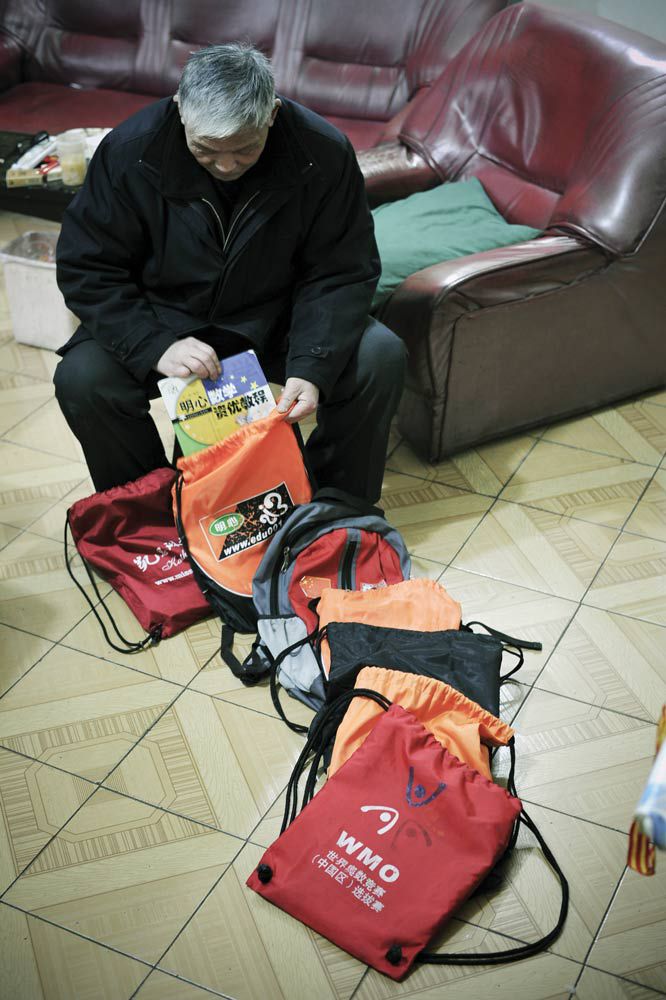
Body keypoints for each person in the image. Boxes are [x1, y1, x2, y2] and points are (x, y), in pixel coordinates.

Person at [54, 43, 406, 502]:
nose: (225, 165)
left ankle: (333, 505)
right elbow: (88, 266)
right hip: (165, 316)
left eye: (245, 149)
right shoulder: (128, 153)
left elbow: (341, 269)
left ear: (273, 114)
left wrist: (312, 365)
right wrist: (152, 344)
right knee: (84, 379)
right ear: (180, 110)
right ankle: (148, 511)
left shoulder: (322, 152)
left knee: (379, 356)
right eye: (206, 150)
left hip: (277, 315)